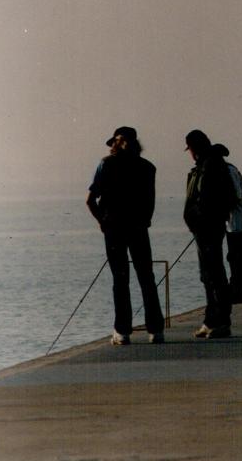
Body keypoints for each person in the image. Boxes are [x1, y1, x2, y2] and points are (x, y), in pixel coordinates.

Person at [86, 126, 165, 346]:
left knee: (120, 280)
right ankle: (156, 329)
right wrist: (143, 220)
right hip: (139, 228)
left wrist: (103, 222)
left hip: (114, 229)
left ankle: (122, 331)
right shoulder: (148, 168)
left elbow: (90, 200)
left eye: (114, 142)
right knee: (146, 278)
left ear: (117, 143)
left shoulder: (107, 164)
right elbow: (150, 202)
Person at [183, 130, 237, 339]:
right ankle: (211, 319)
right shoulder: (207, 164)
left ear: (194, 148)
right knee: (208, 274)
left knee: (214, 274)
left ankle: (221, 321)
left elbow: (208, 198)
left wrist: (202, 218)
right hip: (203, 227)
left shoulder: (210, 165)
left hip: (208, 226)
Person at [214, 144, 242, 304]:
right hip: (239, 222)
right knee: (236, 256)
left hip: (240, 222)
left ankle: (238, 290)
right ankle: (237, 290)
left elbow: (236, 195)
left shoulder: (227, 171)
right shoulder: (228, 169)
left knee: (237, 256)